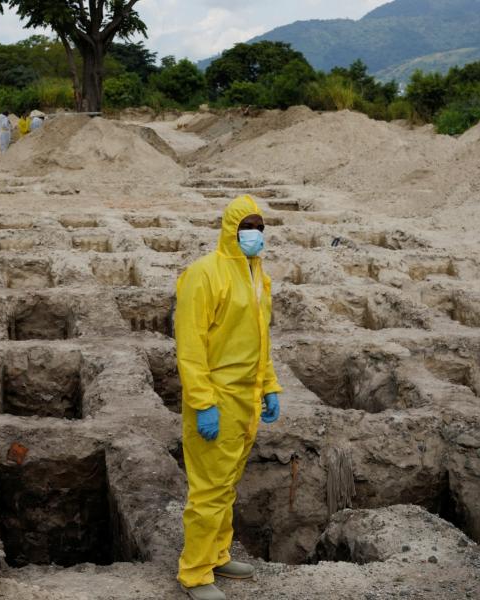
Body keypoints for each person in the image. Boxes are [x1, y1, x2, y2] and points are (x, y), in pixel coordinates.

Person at [175, 195, 282, 600]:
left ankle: (218, 554)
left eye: (260, 226)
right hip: (217, 400)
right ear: (231, 229)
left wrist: (269, 385)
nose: (255, 233)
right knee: (208, 490)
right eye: (247, 226)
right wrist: (203, 403)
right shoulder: (204, 275)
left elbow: (261, 337)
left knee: (228, 485)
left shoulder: (258, 274)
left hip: (247, 400)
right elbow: (190, 347)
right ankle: (195, 573)